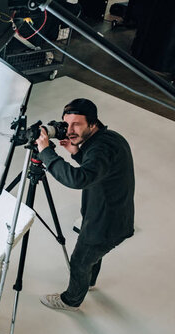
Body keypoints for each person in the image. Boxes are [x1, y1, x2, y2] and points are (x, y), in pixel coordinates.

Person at [35, 98, 135, 311]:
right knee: (92, 256)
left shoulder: (100, 149)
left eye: (77, 124)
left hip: (103, 224)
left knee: (80, 260)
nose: (69, 130)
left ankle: (70, 300)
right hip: (116, 217)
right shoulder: (109, 139)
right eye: (66, 124)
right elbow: (99, 170)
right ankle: (89, 282)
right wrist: (77, 153)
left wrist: (46, 153)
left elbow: (78, 179)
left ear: (93, 123)